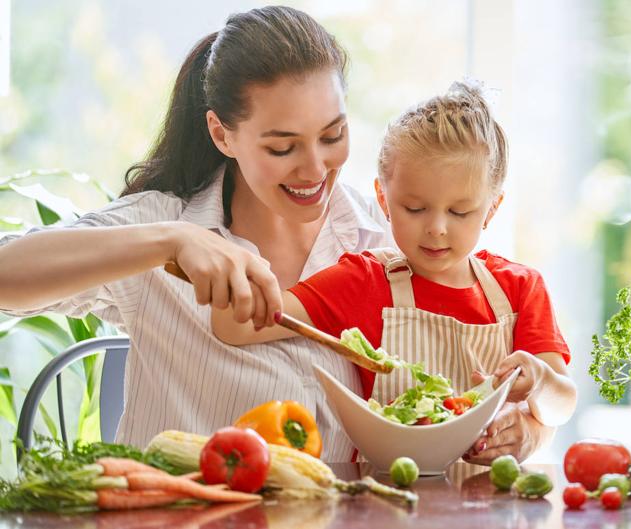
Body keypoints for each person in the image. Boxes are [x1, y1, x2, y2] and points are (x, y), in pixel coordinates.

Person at [0, 6, 392, 461]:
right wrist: (171, 241)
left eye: (332, 136)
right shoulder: (164, 227)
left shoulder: (380, 238)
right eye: (282, 147)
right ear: (222, 135)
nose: (314, 169)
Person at [212, 80, 577, 464]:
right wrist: (218, 258)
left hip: (491, 499)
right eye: (415, 209)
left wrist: (536, 396)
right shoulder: (363, 281)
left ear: (492, 209)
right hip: (385, 494)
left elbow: (562, 405)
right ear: (384, 199)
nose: (436, 228)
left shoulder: (520, 288)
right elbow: (235, 327)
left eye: (459, 212)